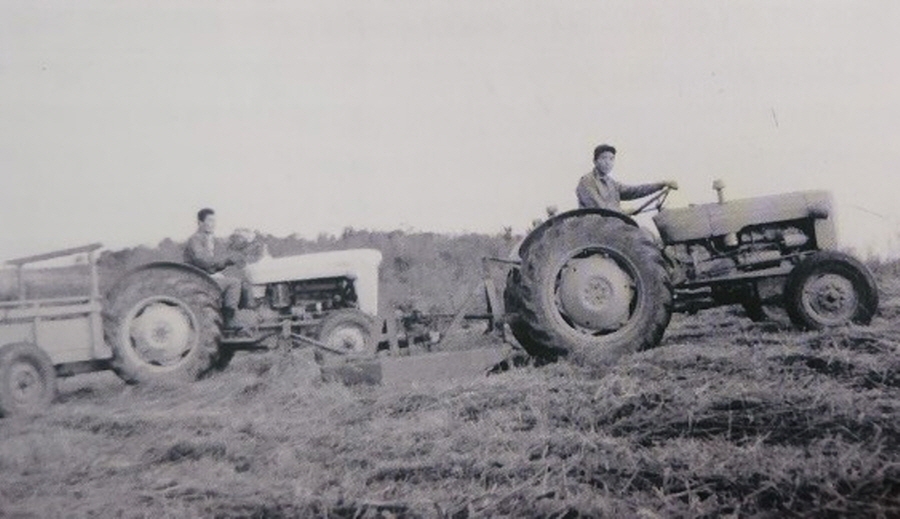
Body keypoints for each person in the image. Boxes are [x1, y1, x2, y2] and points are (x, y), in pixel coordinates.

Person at [184, 208, 244, 330]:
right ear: (200, 223)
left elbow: (214, 264)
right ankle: (229, 321)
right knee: (234, 283)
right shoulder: (195, 240)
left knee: (241, 280)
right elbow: (202, 260)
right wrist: (226, 261)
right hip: (198, 281)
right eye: (210, 220)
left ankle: (244, 314)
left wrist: (228, 262)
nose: (213, 224)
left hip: (205, 277)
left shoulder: (208, 240)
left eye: (214, 221)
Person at [576, 143, 678, 211]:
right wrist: (623, 212)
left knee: (646, 234)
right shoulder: (587, 181)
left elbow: (635, 191)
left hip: (612, 224)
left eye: (611, 159)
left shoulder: (612, 184)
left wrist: (661, 184)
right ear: (595, 161)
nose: (608, 162)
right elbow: (598, 207)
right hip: (593, 228)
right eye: (603, 158)